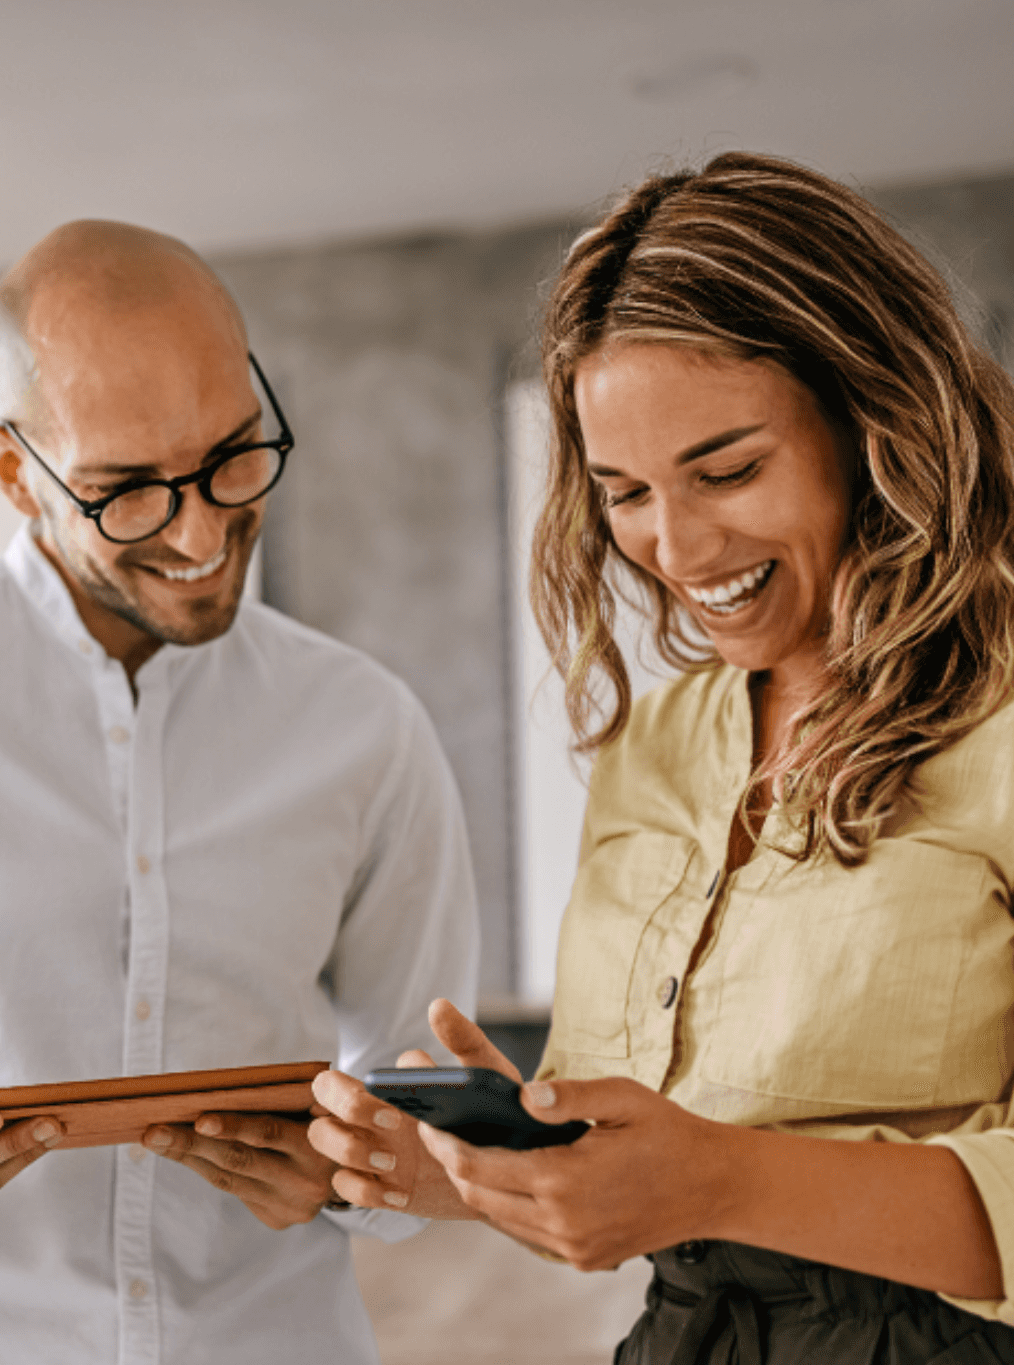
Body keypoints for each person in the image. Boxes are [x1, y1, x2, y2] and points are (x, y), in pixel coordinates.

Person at [309, 151, 1014, 1361]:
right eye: (622, 490)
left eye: (727, 469)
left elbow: (710, 1179)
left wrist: (721, 1184)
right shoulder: (660, 742)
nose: (674, 547)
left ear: (872, 417)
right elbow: (645, 1174)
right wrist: (476, 1167)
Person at [0, 221, 479, 1363]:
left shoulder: (363, 726)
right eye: (124, 490)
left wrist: (358, 1172)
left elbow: (420, 1102)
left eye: (232, 453)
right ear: (9, 472)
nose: (198, 527)